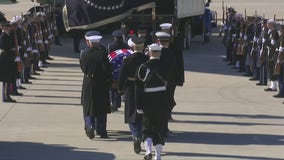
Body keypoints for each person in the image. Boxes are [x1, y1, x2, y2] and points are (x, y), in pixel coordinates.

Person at [136, 43, 170, 160]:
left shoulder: (143, 67)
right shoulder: (166, 66)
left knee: (147, 127)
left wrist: (139, 105)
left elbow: (139, 88)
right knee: (160, 128)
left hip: (148, 100)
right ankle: (158, 156)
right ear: (160, 52)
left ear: (149, 52)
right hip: (162, 99)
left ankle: (148, 151)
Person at [118, 36, 148, 154]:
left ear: (133, 46)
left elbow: (122, 76)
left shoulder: (127, 59)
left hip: (130, 88)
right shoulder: (146, 59)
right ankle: (139, 135)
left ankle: (135, 135)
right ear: (142, 47)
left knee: (131, 114)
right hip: (144, 88)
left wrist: (120, 89)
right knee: (142, 114)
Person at [79, 30, 112, 139]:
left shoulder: (83, 53)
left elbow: (83, 68)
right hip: (101, 82)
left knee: (88, 106)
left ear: (88, 42)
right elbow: (107, 69)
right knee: (101, 106)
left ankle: (89, 126)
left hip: (88, 81)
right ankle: (101, 130)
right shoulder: (102, 54)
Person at [108, 29, 128, 112]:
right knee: (119, 87)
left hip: (113, 68)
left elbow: (109, 56)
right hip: (121, 68)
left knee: (112, 87)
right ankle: (117, 103)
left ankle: (113, 103)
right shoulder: (124, 45)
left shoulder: (111, 45)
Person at [0, 20, 17, 103]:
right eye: (7, 26)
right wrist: (11, 51)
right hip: (5, 59)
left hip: (8, 58)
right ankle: (5, 96)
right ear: (3, 27)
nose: (9, 28)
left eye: (8, 26)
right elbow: (4, 48)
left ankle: (7, 95)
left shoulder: (7, 35)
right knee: (5, 78)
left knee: (8, 77)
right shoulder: (3, 36)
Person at [264, 19, 279, 92]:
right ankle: (272, 85)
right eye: (267, 24)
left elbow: (275, 43)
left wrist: (273, 42)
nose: (268, 25)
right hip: (269, 52)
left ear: (272, 24)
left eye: (269, 24)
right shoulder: (269, 31)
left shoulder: (274, 32)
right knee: (269, 69)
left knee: (272, 69)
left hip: (272, 53)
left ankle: (274, 86)